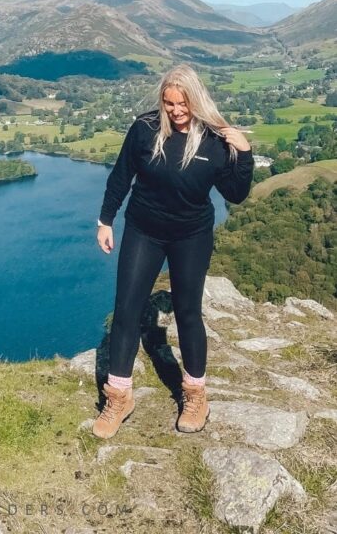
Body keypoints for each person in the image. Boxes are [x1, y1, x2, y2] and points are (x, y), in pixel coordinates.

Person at [92, 63, 253, 439]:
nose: (176, 111)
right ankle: (119, 397)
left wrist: (243, 155)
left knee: (187, 312)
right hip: (143, 230)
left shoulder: (214, 140)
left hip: (191, 236)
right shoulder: (145, 129)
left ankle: (195, 395)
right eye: (169, 104)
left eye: (183, 104)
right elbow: (121, 176)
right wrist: (105, 220)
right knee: (127, 310)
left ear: (196, 101)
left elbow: (236, 193)